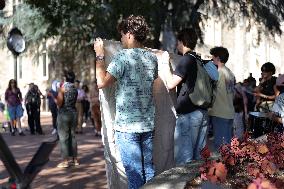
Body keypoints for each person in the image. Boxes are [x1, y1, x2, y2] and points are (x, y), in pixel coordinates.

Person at [93, 15, 158, 189]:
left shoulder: (122, 58)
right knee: (150, 173)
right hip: (148, 125)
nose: (121, 40)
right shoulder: (152, 58)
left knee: (135, 178)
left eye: (122, 35)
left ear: (129, 34)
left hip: (127, 128)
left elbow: (101, 83)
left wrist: (99, 56)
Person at [162, 28, 210, 165]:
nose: (177, 45)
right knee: (198, 160)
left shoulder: (186, 60)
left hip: (189, 114)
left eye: (178, 42)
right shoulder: (199, 60)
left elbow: (171, 84)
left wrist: (165, 64)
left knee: (184, 162)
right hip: (202, 112)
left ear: (182, 42)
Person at [208, 47, 235, 150]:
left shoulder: (218, 72)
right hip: (229, 111)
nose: (211, 60)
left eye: (213, 58)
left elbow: (210, 91)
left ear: (218, 58)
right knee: (226, 146)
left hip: (219, 112)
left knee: (220, 148)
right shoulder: (230, 72)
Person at [54, 71, 79, 168]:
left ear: (65, 78)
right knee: (73, 136)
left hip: (64, 114)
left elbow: (59, 103)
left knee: (63, 137)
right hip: (73, 113)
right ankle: (75, 159)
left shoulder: (63, 88)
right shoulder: (75, 89)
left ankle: (65, 161)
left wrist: (58, 95)